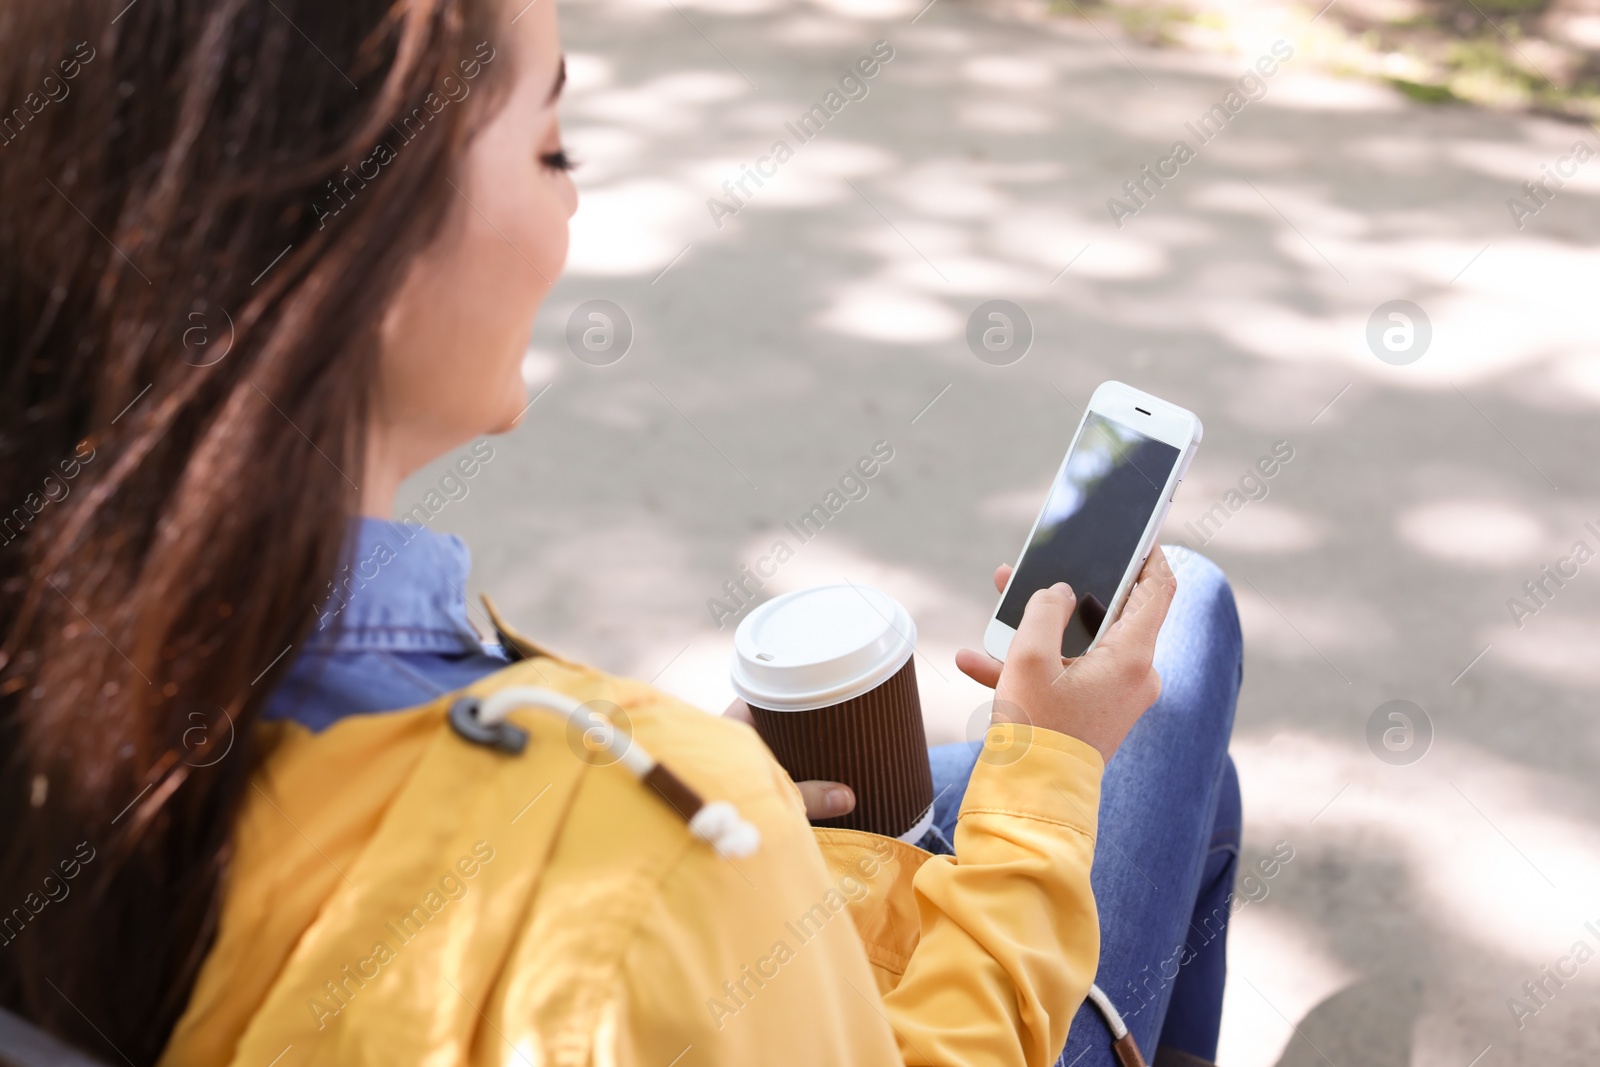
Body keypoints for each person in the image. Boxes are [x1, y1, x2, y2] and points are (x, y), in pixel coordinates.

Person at [0, 2, 1238, 1066]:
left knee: (1167, 794)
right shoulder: (640, 849)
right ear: (347, 260)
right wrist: (1038, 768)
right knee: (1177, 656)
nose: (574, 199)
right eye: (550, 145)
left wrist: (707, 814)